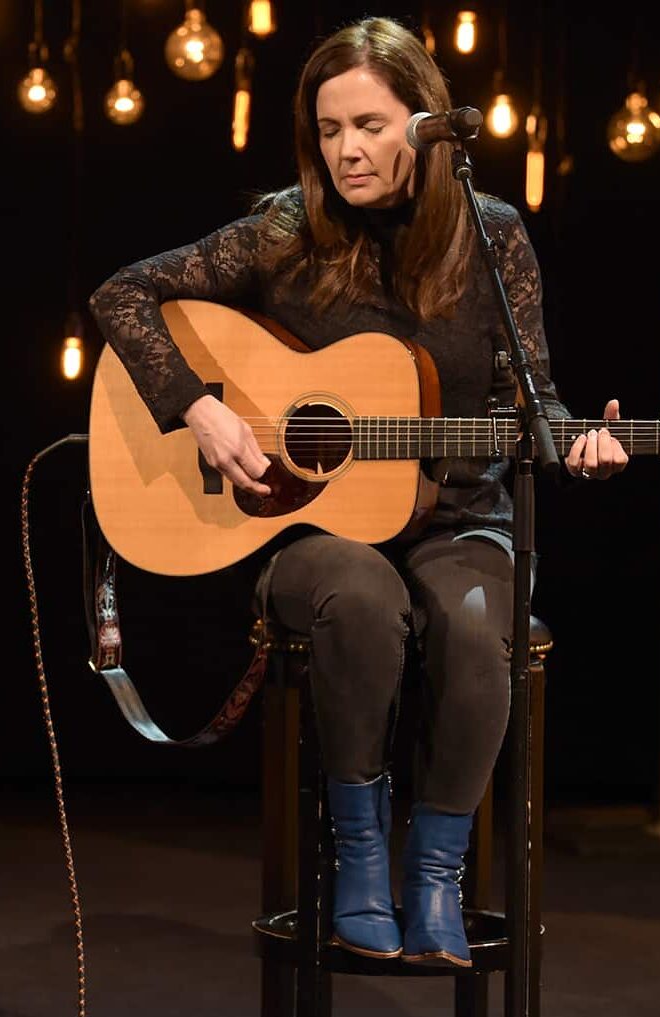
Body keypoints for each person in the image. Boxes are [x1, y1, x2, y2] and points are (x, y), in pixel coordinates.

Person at [89, 16, 628, 968]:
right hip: (316, 540)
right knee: (363, 599)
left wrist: (579, 439)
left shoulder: (489, 234)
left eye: (369, 125)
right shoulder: (290, 227)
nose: (346, 149)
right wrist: (198, 408)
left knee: (473, 623)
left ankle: (434, 872)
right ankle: (361, 855)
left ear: (425, 125)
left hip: (461, 520)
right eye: (329, 128)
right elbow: (121, 293)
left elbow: (533, 400)